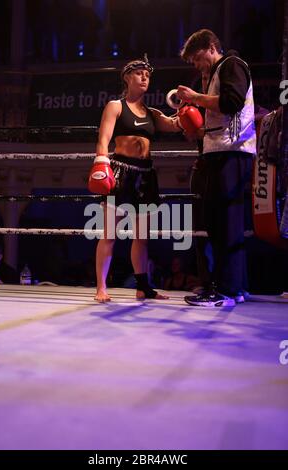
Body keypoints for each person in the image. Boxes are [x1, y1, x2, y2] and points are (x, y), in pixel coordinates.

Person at [89, 56, 196, 303]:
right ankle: (101, 288)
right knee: (109, 234)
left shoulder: (152, 113)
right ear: (127, 78)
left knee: (142, 237)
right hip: (120, 172)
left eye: (147, 74)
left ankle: (143, 288)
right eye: (139, 73)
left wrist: (188, 107)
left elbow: (177, 125)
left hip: (146, 175)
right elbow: (103, 138)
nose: (145, 77)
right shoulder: (115, 106)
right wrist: (100, 162)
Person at [177, 29, 256, 307]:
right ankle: (236, 287)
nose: (197, 65)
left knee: (226, 223)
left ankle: (227, 290)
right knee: (221, 222)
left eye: (198, 58)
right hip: (221, 153)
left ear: (212, 47)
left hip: (231, 153)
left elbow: (231, 104)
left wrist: (196, 98)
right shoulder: (217, 72)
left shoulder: (231, 65)